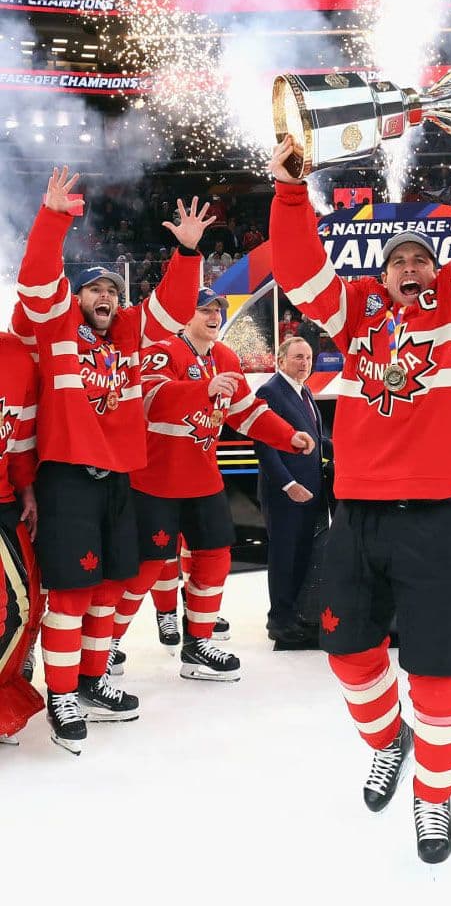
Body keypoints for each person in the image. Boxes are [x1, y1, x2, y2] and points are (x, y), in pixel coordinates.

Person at [269, 100, 451, 864]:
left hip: (441, 524)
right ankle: (387, 738)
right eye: (395, 262)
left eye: (420, 260)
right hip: (360, 520)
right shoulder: (355, 316)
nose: (409, 268)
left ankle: (434, 801)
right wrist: (288, 192)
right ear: (378, 277)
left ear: (436, 273)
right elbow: (301, 269)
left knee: (438, 682)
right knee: (347, 657)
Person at [17, 166, 213, 754]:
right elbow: (34, 281)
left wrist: (186, 252)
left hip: (119, 479)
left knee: (111, 585)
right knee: (73, 593)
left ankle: (92, 678)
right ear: (76, 299)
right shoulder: (52, 330)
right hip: (68, 480)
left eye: (113, 292)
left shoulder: (129, 335)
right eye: (95, 290)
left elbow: (172, 309)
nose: (107, 298)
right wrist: (54, 218)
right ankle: (60, 694)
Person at [105, 292, 315, 682]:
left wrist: (289, 437)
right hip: (156, 480)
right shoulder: (162, 351)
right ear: (186, 314)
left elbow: (247, 413)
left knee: (216, 556)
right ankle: (107, 645)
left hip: (202, 479)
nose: (214, 316)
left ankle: (197, 644)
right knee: (147, 567)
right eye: (205, 309)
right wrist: (203, 388)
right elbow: (149, 401)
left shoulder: (227, 357)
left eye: (218, 310)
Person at [255, 337, 329, 643]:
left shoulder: (305, 391)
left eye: (309, 358)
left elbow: (317, 440)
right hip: (286, 493)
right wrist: (288, 484)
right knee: (284, 557)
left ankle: (294, 614)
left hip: (310, 491)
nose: (305, 363)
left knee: (300, 556)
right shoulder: (270, 391)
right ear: (281, 360)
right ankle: (279, 621)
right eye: (298, 357)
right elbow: (265, 445)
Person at [0, 333, 43, 746]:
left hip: (3, 499)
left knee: (22, 604)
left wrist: (26, 487)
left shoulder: (16, 354)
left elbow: (21, 439)